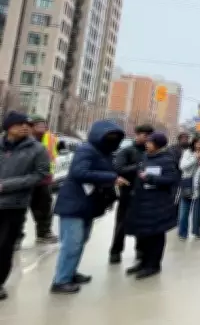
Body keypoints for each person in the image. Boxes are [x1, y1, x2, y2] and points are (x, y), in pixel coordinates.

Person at [51, 120, 127, 294]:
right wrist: (111, 178)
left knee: (80, 242)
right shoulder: (86, 150)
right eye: (109, 136)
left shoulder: (105, 153)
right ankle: (61, 281)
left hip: (88, 205)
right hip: (74, 204)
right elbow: (79, 172)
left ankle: (70, 272)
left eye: (115, 137)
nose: (112, 140)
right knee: (72, 244)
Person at [0, 111, 49, 300]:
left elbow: (40, 175)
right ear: (8, 126)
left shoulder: (37, 149)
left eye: (28, 125)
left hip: (14, 205)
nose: (25, 127)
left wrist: (6, 185)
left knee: (4, 247)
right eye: (20, 124)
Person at [124, 132, 180, 279]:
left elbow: (171, 179)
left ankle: (153, 265)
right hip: (142, 202)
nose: (147, 144)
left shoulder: (167, 160)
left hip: (158, 203)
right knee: (143, 234)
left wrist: (150, 178)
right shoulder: (144, 157)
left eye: (150, 142)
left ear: (158, 145)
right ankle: (143, 262)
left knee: (155, 235)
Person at [109, 124, 153, 265]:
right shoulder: (127, 151)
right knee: (122, 223)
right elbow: (118, 169)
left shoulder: (150, 152)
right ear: (137, 134)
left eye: (149, 136)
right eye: (145, 135)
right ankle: (115, 251)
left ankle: (140, 249)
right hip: (127, 192)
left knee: (142, 223)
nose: (147, 139)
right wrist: (138, 167)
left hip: (144, 193)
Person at [23, 115, 58, 244]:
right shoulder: (22, 138)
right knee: (18, 210)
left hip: (43, 180)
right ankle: (16, 237)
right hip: (24, 180)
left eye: (43, 125)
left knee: (44, 208)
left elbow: (52, 157)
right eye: (38, 125)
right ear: (31, 127)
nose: (42, 128)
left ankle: (44, 233)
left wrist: (50, 175)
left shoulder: (50, 138)